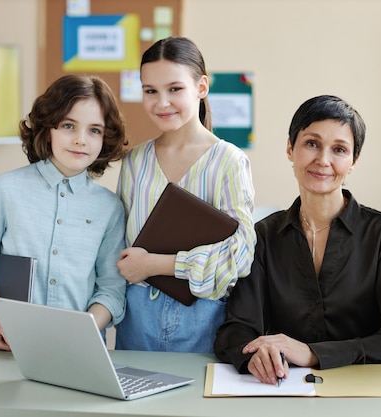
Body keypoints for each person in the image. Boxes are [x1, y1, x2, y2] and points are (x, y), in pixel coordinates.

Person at [214, 95, 381, 385]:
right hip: (282, 390)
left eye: (339, 149)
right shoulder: (262, 236)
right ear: (290, 148)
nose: (323, 160)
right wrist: (255, 356)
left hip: (363, 391)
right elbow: (236, 329)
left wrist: (313, 353)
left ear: (353, 161)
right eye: (311, 144)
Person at [0, 74, 128, 351]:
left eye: (94, 130)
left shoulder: (109, 207)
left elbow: (111, 288)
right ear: (48, 128)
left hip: (79, 351)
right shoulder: (7, 188)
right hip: (12, 346)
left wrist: (81, 331)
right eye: (68, 125)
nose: (81, 140)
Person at [114, 37, 256, 353]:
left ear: (201, 87)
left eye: (174, 89)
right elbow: (119, 243)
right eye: (150, 91)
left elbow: (240, 255)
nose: (161, 102)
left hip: (204, 319)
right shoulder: (135, 161)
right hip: (137, 317)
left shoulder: (229, 161)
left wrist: (156, 264)